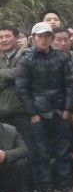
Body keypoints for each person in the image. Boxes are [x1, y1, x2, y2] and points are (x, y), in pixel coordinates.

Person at [15, 22, 73, 192]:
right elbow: (22, 90)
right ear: (33, 38)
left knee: (63, 151)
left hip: (59, 110)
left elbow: (70, 85)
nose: (44, 39)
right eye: (40, 36)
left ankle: (65, 186)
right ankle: (46, 189)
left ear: (52, 38)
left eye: (47, 36)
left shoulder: (62, 57)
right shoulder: (26, 60)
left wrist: (67, 109)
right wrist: (32, 114)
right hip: (38, 114)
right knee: (41, 153)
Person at [0, 25, 32, 178]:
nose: (4, 40)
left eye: (7, 36)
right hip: (2, 114)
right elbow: (15, 75)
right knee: (5, 151)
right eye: (1, 37)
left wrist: (2, 75)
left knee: (27, 148)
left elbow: (22, 74)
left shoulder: (25, 54)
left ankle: (31, 187)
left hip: (21, 110)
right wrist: (11, 77)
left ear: (16, 37)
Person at [0, 122, 31, 192]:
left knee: (21, 163)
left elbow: (23, 149)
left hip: (7, 168)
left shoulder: (11, 130)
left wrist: (5, 154)